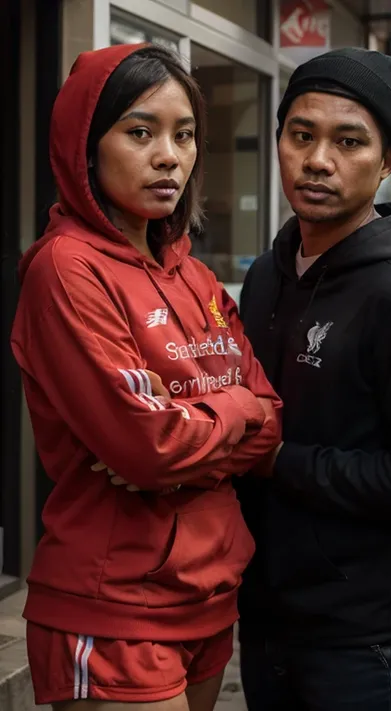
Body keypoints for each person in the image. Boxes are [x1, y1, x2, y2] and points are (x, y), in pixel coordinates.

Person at [11, 43, 282, 711]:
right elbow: (148, 445)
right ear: (85, 144)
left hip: (211, 593)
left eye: (184, 134)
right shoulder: (66, 268)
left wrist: (212, 421)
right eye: (141, 131)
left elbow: (272, 420)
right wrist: (232, 413)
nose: (170, 155)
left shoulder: (194, 275)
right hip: (113, 603)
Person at [236, 47, 391, 711]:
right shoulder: (267, 276)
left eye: (349, 141)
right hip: (268, 622)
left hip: (368, 642)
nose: (317, 160)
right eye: (301, 135)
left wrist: (281, 462)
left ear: (388, 159)